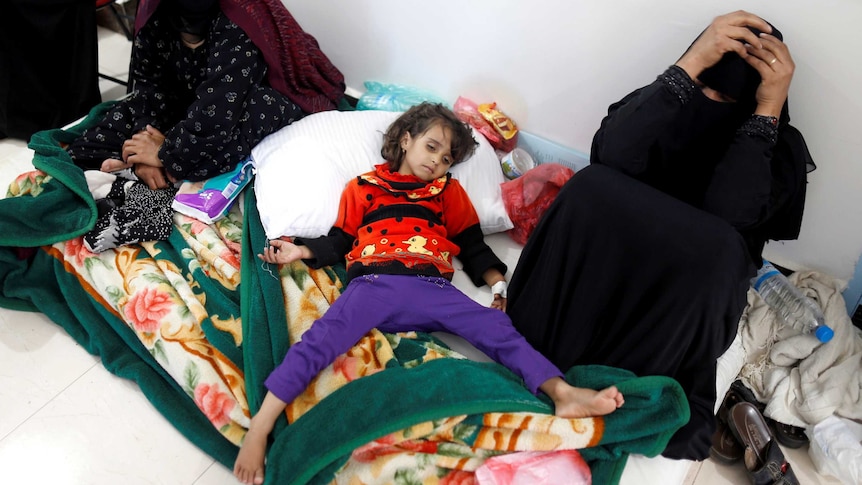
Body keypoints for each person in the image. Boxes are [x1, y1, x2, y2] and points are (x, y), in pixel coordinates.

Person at [232, 102, 625, 485]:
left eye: (447, 158)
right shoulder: (364, 186)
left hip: (432, 287)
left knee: (496, 327)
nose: (437, 161)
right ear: (405, 140)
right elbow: (340, 241)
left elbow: (472, 245)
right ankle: (261, 427)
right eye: (431, 147)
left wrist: (498, 284)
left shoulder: (446, 192)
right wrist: (301, 250)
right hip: (374, 283)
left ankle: (563, 392)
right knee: (318, 341)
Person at [506, 10, 814, 461]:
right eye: (705, 84)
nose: (709, 99)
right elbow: (611, 155)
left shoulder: (775, 148)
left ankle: (618, 381)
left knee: (716, 244)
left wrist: (768, 110)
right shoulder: (663, 103)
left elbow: (730, 215)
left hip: (674, 299)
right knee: (591, 184)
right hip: (597, 275)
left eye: (728, 97)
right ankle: (544, 351)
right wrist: (688, 67)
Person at [66, 0, 345, 251]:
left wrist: (165, 154)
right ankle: (162, 166)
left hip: (258, 95)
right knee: (99, 136)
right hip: (193, 94)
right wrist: (144, 146)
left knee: (253, 114)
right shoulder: (155, 10)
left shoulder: (240, 17)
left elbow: (217, 113)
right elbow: (148, 86)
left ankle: (172, 167)